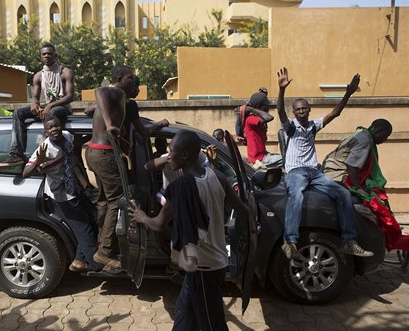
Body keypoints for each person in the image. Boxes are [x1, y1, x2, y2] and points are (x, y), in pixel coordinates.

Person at [129, 130, 252, 331]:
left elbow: (159, 224)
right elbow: (243, 211)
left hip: (204, 268)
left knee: (212, 324)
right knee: (183, 315)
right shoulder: (218, 176)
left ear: (185, 155)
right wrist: (252, 206)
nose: (169, 156)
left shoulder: (180, 187)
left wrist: (142, 217)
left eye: (171, 151)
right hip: (210, 264)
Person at [277, 67, 373, 259]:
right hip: (296, 171)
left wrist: (348, 93)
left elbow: (335, 113)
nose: (301, 112)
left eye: (304, 108)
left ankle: (349, 241)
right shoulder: (290, 128)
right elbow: (280, 110)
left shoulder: (313, 126)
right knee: (296, 195)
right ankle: (290, 241)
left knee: (343, 194)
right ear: (294, 112)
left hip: (315, 172)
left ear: (309, 110)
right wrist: (282, 90)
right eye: (298, 109)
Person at [85, 65, 168, 269]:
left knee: (105, 200)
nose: (136, 83)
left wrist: (160, 124)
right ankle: (104, 252)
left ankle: (101, 243)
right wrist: (109, 123)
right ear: (120, 79)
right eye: (132, 79)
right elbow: (100, 91)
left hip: (94, 153)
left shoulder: (127, 104)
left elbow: (143, 131)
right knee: (117, 200)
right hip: (105, 153)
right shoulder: (114, 92)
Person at [22, 117, 104, 273]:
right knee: (83, 228)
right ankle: (97, 265)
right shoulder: (45, 148)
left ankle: (79, 260)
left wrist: (95, 133)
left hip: (76, 189)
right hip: (61, 195)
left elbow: (75, 147)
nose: (54, 129)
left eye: (56, 125)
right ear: (45, 132)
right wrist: (38, 162)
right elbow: (25, 173)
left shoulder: (67, 136)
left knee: (95, 218)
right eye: (50, 128)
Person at [322, 119, 409, 251]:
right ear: (379, 131)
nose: (384, 140)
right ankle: (353, 239)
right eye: (385, 136)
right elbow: (351, 165)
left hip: (334, 172)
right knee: (371, 201)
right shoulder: (365, 140)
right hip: (338, 176)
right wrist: (359, 188)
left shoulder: (361, 132)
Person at [0, 43, 75, 168]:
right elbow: (35, 97)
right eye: (44, 54)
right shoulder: (39, 76)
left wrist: (50, 106)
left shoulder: (65, 72)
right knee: (18, 113)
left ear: (55, 55)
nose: (47, 56)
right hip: (48, 106)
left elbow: (70, 96)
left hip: (62, 107)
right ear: (40, 56)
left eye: (50, 53)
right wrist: (35, 104)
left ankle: (46, 152)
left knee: (52, 114)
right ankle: (16, 154)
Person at [242, 92, 282, 169]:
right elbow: (269, 118)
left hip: (264, 155)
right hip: (260, 159)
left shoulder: (257, 119)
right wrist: (251, 109)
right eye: (266, 106)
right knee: (288, 159)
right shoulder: (250, 119)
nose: (268, 108)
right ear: (258, 107)